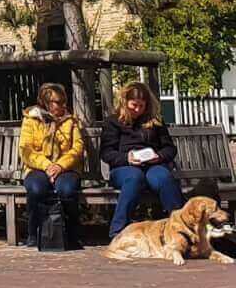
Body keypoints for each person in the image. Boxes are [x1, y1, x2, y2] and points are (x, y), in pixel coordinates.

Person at [100, 80, 183, 238]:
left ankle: (181, 227)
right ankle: (117, 231)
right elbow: (106, 153)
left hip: (152, 165)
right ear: (125, 102)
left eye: (141, 106)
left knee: (163, 177)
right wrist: (127, 158)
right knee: (134, 177)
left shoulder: (155, 121)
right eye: (134, 105)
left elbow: (170, 148)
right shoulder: (113, 122)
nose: (137, 109)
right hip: (124, 168)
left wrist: (159, 156)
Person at [19, 82, 85, 248]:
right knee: (36, 189)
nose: (63, 106)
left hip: (66, 168)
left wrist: (60, 166)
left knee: (67, 190)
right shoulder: (30, 120)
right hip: (38, 168)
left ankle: (72, 234)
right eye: (58, 102)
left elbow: (77, 148)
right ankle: (34, 233)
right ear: (46, 103)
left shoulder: (71, 121)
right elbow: (26, 150)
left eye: (64, 102)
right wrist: (47, 165)